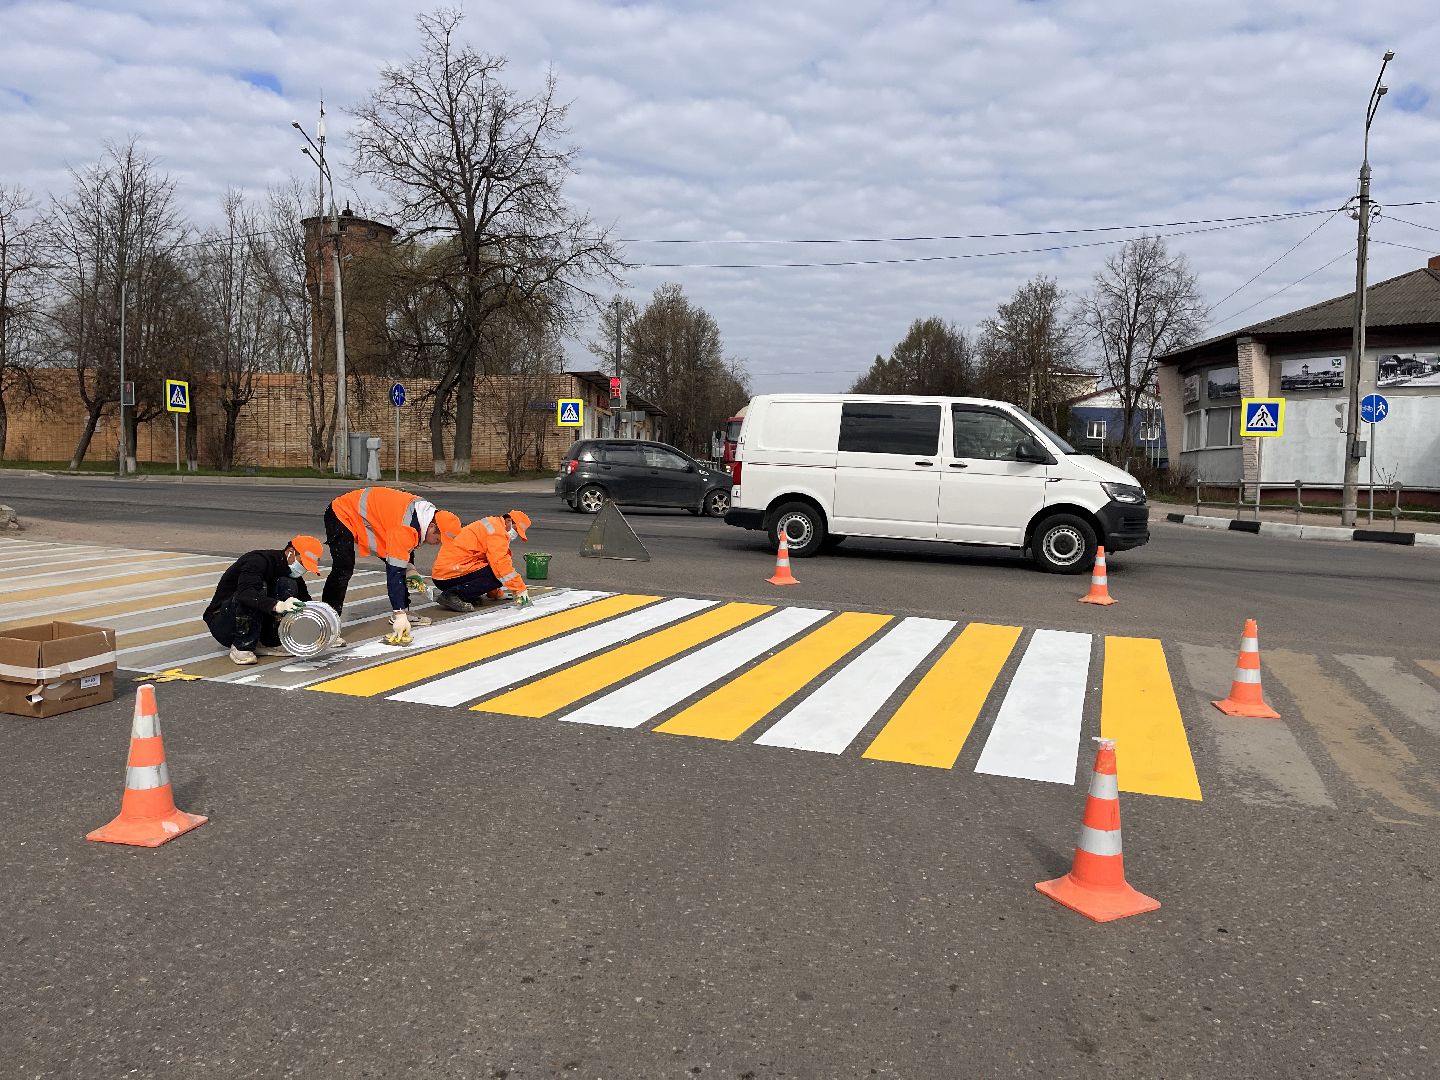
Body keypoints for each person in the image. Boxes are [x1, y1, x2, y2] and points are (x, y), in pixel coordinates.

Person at [321, 487, 455, 648]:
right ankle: (327, 626)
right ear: (432, 527)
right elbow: (395, 572)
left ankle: (404, 611)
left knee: (406, 556)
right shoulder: (406, 527)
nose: (436, 544)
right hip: (342, 513)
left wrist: (410, 569)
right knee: (343, 568)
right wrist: (399, 614)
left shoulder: (426, 513)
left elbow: (403, 552)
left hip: (371, 517)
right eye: (438, 539)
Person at [204, 536, 323, 666]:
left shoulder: (290, 574)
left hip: (252, 621)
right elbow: (245, 594)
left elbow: (305, 602)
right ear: (290, 552)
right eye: (303, 563)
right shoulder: (257, 561)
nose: (303, 569)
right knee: (258, 588)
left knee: (288, 584)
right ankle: (242, 646)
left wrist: (323, 631)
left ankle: (266, 642)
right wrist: (278, 605)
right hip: (224, 622)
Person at [430, 510, 535, 613]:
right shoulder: (497, 532)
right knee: (500, 573)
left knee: (495, 571)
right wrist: (520, 591)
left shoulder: (492, 524)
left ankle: (464, 594)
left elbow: (488, 562)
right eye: (516, 530)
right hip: (449, 575)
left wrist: (495, 593)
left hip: (444, 574)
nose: (515, 534)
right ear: (508, 520)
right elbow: (500, 566)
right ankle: (451, 595)